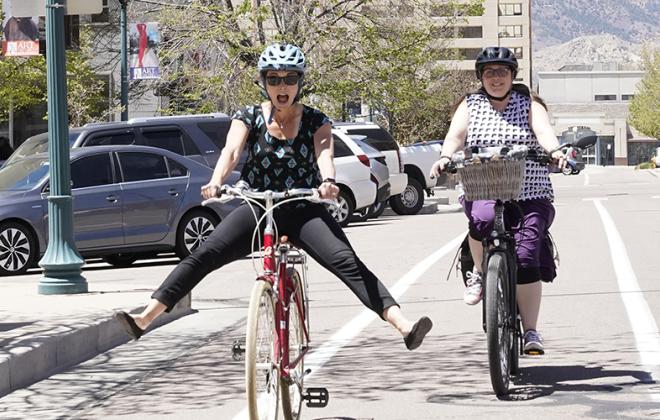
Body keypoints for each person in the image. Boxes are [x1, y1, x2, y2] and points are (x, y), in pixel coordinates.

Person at [115, 43, 432, 351]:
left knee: (345, 262)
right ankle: (145, 318)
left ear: (300, 82)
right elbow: (232, 150)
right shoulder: (248, 117)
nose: (283, 86)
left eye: (290, 78)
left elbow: (324, 153)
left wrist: (329, 181)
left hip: (303, 208)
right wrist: (215, 182)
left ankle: (403, 325)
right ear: (263, 82)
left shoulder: (315, 120)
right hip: (258, 205)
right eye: (274, 79)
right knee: (204, 254)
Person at [430, 47, 566, 355]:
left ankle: (531, 330)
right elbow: (455, 137)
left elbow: (543, 132)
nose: (496, 78)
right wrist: (445, 157)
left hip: (530, 190)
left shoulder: (528, 104)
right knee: (481, 220)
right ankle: (479, 272)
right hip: (483, 185)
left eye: (502, 71)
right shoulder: (470, 104)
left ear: (512, 76)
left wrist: (555, 152)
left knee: (527, 256)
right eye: (489, 72)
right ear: (480, 77)